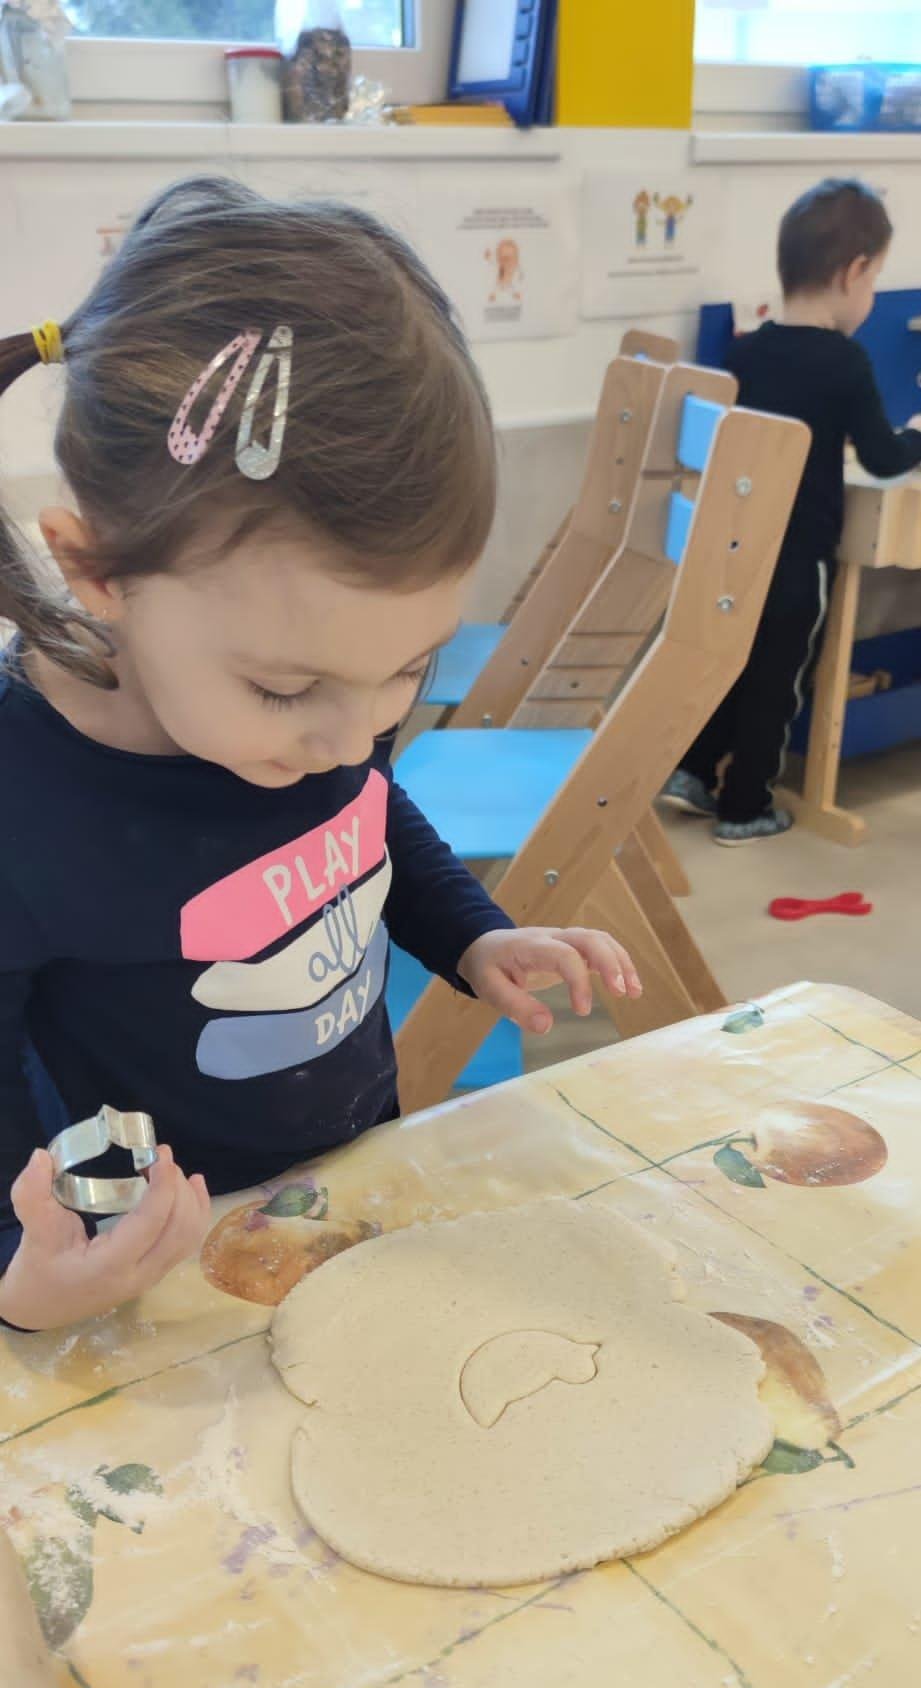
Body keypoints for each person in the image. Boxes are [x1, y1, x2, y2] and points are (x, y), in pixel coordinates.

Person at [0, 176, 641, 1334]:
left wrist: (471, 933)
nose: (352, 737)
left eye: (408, 668)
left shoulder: (321, 710)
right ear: (98, 571)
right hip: (152, 1272)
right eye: (286, 690)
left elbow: (366, 814)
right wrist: (20, 1275)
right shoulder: (24, 804)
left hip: (347, 1185)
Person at [662, 177, 921, 845]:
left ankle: (693, 772)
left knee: (731, 666)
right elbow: (884, 459)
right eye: (874, 280)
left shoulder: (746, 350)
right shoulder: (846, 363)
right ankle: (745, 807)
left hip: (735, 549)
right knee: (778, 685)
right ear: (853, 273)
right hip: (799, 559)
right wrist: (918, 434)